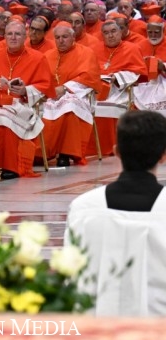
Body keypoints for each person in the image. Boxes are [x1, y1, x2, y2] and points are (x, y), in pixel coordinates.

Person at [66, 111, 166, 316]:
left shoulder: (83, 207)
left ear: (116, 151)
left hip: (94, 330)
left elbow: (70, 276)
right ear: (164, 155)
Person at [0, 20, 56, 179]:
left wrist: (26, 90)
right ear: (4, 36)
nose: (13, 37)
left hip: (24, 105)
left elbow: (46, 86)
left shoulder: (38, 58)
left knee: (2, 118)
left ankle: (10, 166)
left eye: (18, 34)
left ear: (25, 36)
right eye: (10, 34)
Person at [37, 23, 103, 167]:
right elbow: (40, 77)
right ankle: (41, 152)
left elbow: (88, 77)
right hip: (50, 95)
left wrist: (66, 88)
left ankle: (65, 153)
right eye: (57, 37)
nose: (61, 40)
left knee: (69, 105)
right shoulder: (48, 55)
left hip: (78, 94)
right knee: (36, 107)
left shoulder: (86, 53)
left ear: (73, 37)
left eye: (65, 37)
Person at [88, 20, 147, 157]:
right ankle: (93, 147)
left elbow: (138, 72)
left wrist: (117, 77)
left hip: (121, 90)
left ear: (121, 32)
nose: (110, 36)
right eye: (106, 33)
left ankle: (111, 146)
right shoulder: (95, 49)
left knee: (106, 107)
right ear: (102, 35)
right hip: (98, 90)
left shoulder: (132, 48)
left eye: (113, 32)